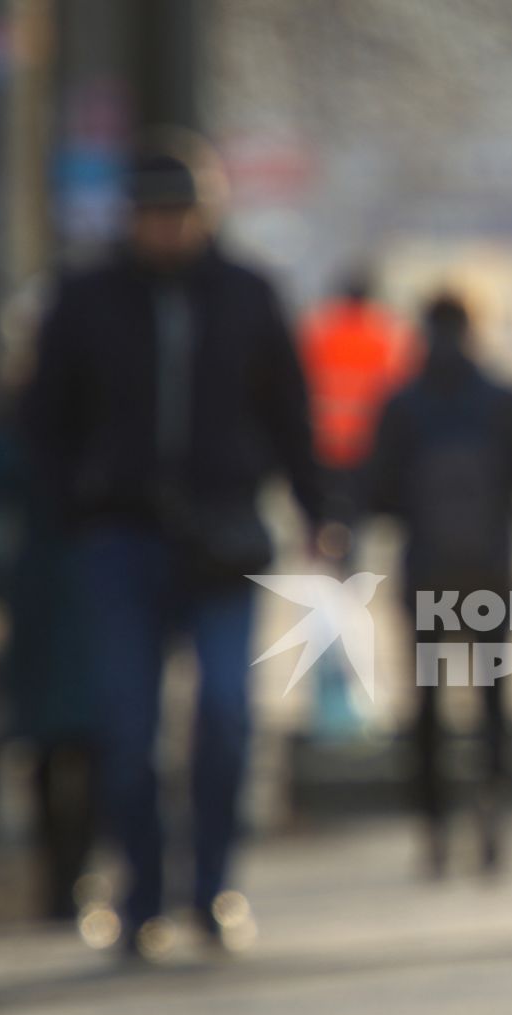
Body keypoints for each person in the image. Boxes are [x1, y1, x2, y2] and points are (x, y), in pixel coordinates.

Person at [21, 135, 320, 959]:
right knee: (127, 726)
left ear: (207, 213)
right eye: (154, 215)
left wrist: (318, 507)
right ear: (131, 219)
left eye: (182, 213)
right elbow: (45, 422)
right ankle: (142, 896)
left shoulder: (248, 294)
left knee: (226, 714)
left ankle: (213, 889)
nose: (168, 229)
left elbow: (290, 412)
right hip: (119, 538)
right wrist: (61, 517)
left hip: (224, 535)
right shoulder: (84, 300)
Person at [363, 292, 512, 879]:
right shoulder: (503, 399)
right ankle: (491, 813)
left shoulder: (401, 403)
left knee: (426, 703)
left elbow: (375, 492)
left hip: (425, 571)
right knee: (493, 700)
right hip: (492, 573)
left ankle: (433, 828)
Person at [0, 285, 97, 923]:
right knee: (43, 738)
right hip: (40, 586)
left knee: (92, 737)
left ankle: (77, 872)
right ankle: (56, 878)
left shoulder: (101, 409)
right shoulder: (13, 418)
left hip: (94, 580)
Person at [298, 267, 413, 530]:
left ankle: (323, 547)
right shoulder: (384, 334)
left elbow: (298, 381)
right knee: (356, 513)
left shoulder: (319, 331)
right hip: (366, 440)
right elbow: (400, 386)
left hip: (323, 439)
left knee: (324, 509)